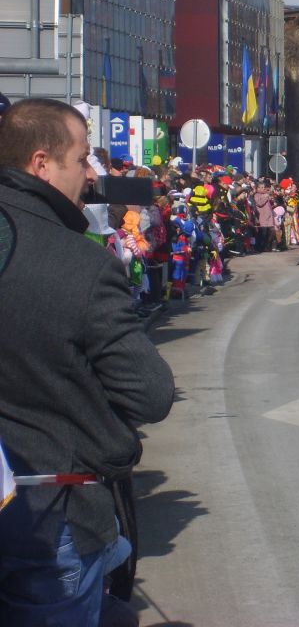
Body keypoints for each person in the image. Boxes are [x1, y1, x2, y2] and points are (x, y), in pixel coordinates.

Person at [0, 98, 175, 625]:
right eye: (82, 159)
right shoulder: (80, 263)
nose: (93, 173)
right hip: (52, 514)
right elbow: (150, 393)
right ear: (41, 164)